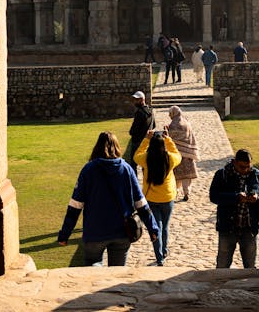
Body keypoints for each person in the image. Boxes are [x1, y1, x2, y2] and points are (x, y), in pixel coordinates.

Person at [57, 131, 158, 266]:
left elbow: (75, 205)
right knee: (116, 273)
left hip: (95, 231)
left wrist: (65, 234)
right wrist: (153, 228)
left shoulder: (88, 170)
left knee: (93, 268)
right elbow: (141, 203)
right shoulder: (126, 169)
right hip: (122, 231)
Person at [209, 147, 259, 268]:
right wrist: (235, 197)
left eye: (248, 166)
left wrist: (258, 197)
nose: (246, 170)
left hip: (249, 228)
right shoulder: (222, 175)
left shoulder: (257, 175)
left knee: (250, 267)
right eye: (242, 167)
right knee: (222, 266)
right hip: (227, 227)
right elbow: (214, 196)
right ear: (234, 163)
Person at [134, 130, 182, 265]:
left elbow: (136, 156)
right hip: (167, 197)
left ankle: (159, 256)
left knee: (156, 228)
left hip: (151, 198)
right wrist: (168, 139)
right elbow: (178, 155)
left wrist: (146, 139)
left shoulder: (146, 158)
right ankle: (164, 250)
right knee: (164, 227)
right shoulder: (170, 159)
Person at [167, 105, 200, 200]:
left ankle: (175, 192)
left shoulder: (173, 125)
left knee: (176, 176)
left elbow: (170, 138)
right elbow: (191, 137)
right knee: (187, 177)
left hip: (176, 154)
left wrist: (167, 130)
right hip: (187, 153)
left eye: (170, 114)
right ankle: (187, 193)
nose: (170, 116)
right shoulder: (187, 123)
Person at [129, 91, 156, 173]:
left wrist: (132, 132)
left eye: (136, 100)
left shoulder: (140, 113)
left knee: (133, 164)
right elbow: (154, 125)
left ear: (142, 100)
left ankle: (134, 183)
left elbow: (133, 129)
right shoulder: (150, 111)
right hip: (147, 141)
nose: (134, 101)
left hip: (137, 141)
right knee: (146, 164)